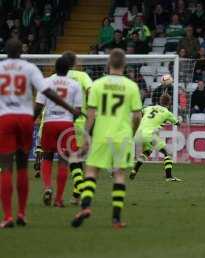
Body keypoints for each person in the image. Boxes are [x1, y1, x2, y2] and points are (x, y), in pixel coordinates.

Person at [0, 39, 79, 228]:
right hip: (25, 119)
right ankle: (22, 213)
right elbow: (48, 92)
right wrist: (69, 107)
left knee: (6, 167)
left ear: (5, 52)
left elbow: (43, 97)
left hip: (5, 119)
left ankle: (8, 216)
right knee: (22, 167)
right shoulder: (30, 68)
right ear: (21, 51)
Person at [71, 48, 142, 229]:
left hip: (101, 136)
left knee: (91, 172)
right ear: (124, 65)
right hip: (122, 137)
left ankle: (85, 206)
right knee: (119, 175)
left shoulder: (97, 85)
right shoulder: (132, 86)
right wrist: (132, 133)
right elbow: (137, 116)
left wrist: (86, 135)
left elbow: (91, 114)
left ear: (109, 64)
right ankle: (116, 219)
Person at [34, 57, 83, 207]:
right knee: (64, 160)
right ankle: (59, 199)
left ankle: (48, 187)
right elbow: (78, 111)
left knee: (47, 157)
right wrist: (69, 120)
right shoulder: (75, 85)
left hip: (49, 122)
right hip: (66, 124)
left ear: (54, 67)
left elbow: (38, 106)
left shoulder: (46, 82)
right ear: (69, 69)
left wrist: (30, 121)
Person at [62, 51, 94, 205]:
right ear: (76, 63)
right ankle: (77, 194)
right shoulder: (82, 76)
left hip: (64, 120)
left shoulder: (59, 77)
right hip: (81, 120)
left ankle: (78, 191)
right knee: (77, 158)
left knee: (72, 159)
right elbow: (91, 91)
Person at [130, 95, 182, 182]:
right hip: (150, 135)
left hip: (139, 133)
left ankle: (134, 169)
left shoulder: (149, 108)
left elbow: (139, 113)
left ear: (160, 101)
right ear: (169, 103)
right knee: (168, 153)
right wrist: (179, 120)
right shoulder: (167, 112)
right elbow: (177, 124)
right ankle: (169, 177)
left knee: (148, 151)